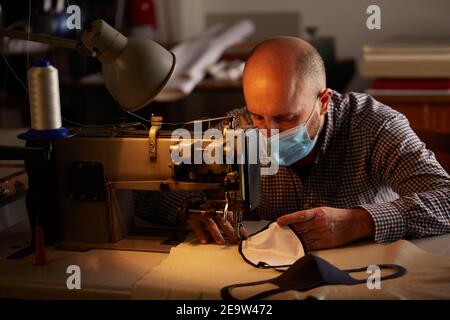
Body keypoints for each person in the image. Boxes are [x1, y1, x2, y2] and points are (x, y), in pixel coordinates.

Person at [187, 36, 450, 250]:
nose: (269, 133)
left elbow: (446, 199)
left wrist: (360, 222)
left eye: (286, 117)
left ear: (323, 102)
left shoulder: (374, 124)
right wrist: (193, 209)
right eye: (258, 116)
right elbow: (153, 196)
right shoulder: (235, 127)